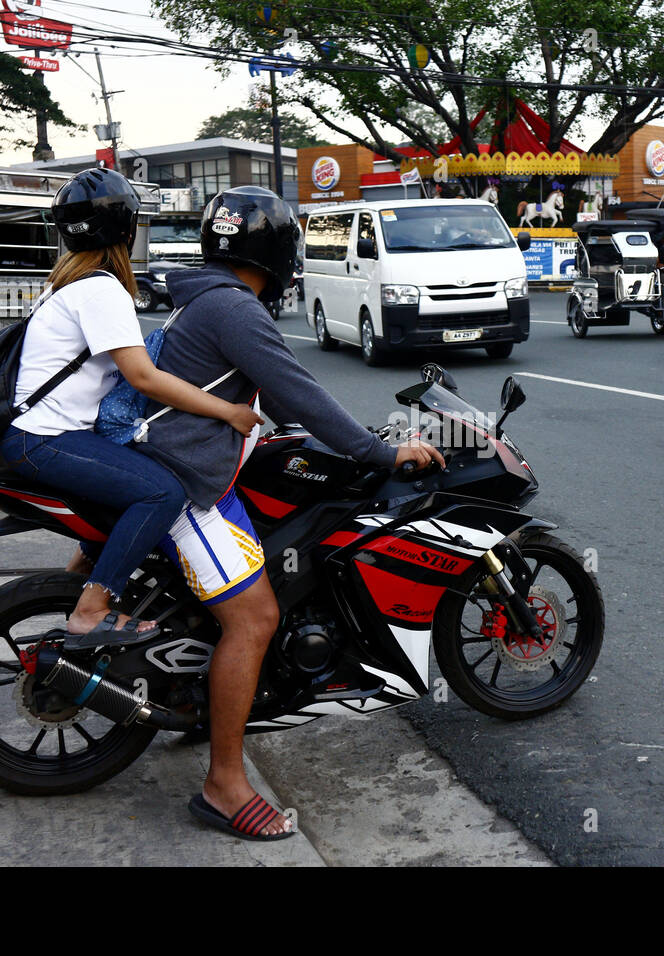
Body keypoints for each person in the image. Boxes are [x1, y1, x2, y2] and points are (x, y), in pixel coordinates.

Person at [134, 186, 442, 840]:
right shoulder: (234, 307)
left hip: (175, 466)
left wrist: (312, 434)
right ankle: (224, 786)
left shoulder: (203, 297)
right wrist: (379, 452)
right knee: (256, 616)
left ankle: (205, 704)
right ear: (276, 253)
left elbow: (264, 392)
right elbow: (298, 392)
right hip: (189, 483)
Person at [0, 168, 264, 643]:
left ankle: (75, 583)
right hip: (46, 440)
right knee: (162, 492)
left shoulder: (64, 284)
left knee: (129, 480)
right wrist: (227, 411)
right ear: (127, 230)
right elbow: (144, 377)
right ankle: (90, 608)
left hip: (33, 435)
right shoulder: (102, 290)